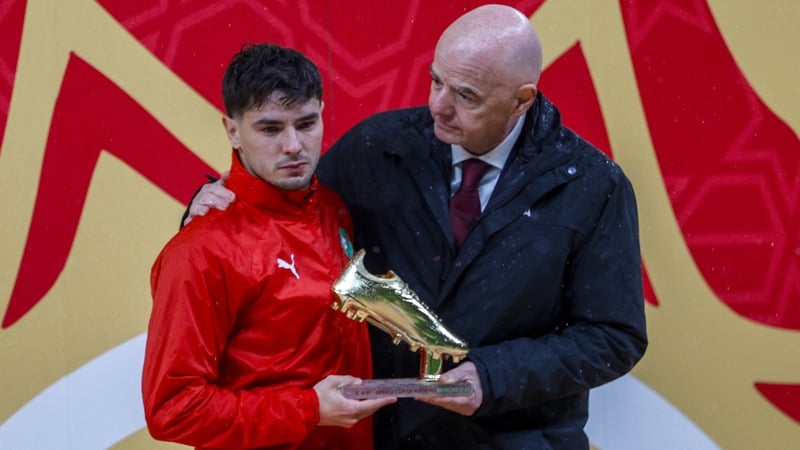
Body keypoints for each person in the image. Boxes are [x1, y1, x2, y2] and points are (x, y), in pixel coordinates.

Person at [185, 5, 647, 449]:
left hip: (518, 439)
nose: (438, 107)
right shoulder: (377, 147)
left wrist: (494, 376)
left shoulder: (593, 186)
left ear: (521, 100)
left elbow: (613, 335)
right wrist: (208, 206)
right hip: (392, 438)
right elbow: (287, 206)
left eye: (466, 96)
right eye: (436, 81)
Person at [142, 43, 395, 450]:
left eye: (307, 123)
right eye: (271, 128)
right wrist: (309, 408)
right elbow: (173, 408)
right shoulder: (200, 252)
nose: (294, 145)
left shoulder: (333, 210)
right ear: (232, 131)